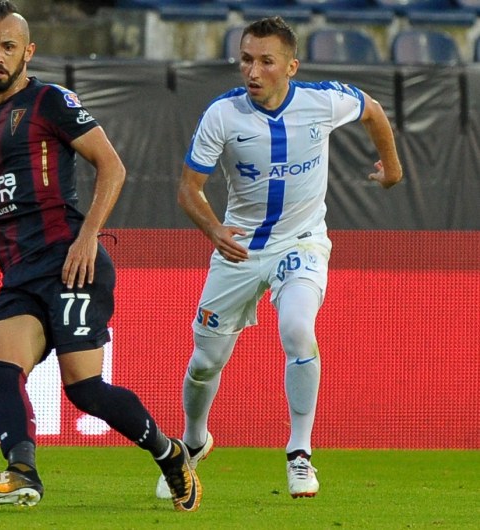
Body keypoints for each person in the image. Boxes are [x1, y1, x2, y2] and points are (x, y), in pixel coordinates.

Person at [0, 0, 200, 511]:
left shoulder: (51, 100)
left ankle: (170, 454)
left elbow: (112, 166)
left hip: (71, 262)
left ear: (28, 52)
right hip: (22, 273)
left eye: (9, 47)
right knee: (0, 369)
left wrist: (89, 236)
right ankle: (22, 472)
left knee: (85, 390)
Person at [155, 16, 403, 500]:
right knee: (205, 362)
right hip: (240, 249)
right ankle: (193, 442)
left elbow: (372, 110)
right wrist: (214, 230)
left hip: (302, 242)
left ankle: (299, 453)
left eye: (266, 61)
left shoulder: (323, 101)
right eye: (246, 59)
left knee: (297, 328)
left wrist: (392, 169)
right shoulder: (222, 115)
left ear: (291, 66)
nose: (253, 71)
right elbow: (189, 190)